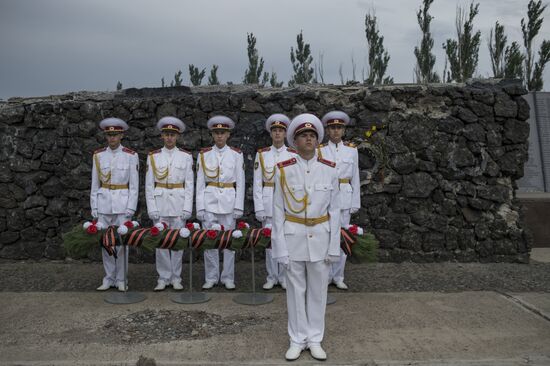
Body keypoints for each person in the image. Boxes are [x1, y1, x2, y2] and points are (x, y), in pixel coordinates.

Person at [271, 113, 341, 361]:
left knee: (318, 291)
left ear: (318, 140)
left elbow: (335, 212)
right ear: (295, 141)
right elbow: (277, 212)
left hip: (321, 239)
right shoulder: (283, 171)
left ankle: (315, 339)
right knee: (295, 291)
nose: (308, 139)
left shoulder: (329, 170)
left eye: (312, 136)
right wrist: (278, 249)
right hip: (293, 238)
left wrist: (335, 247)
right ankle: (297, 339)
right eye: (303, 136)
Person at [196, 115, 245, 290]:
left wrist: (239, 205)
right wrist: (200, 206)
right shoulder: (204, 155)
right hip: (209, 202)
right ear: (212, 135)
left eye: (222, 133)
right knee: (210, 242)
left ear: (228, 135)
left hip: (229, 202)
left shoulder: (236, 155)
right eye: (216, 133)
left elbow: (240, 181)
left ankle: (227, 277)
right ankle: (211, 276)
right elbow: (200, 182)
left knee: (229, 243)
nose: (219, 136)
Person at [145, 116, 194, 291]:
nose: (169, 138)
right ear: (161, 137)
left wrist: (188, 206)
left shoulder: (186, 157)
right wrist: (151, 207)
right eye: (166, 134)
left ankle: (176, 277)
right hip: (160, 203)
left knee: (177, 242)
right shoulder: (153, 156)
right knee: (160, 242)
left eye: (172, 134)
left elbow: (189, 184)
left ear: (178, 136)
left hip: (179, 204)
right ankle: (163, 277)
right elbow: (149, 184)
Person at [91, 117, 139, 292]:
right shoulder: (98, 156)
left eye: (115, 135)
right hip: (104, 204)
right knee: (106, 243)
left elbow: (134, 186)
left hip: (122, 204)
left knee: (121, 244)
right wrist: (94, 207)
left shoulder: (130, 156)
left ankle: (121, 278)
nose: (112, 138)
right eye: (109, 135)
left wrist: (130, 208)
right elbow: (94, 184)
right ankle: (108, 277)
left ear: (121, 136)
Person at [252, 113, 296, 290]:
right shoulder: (262, 154)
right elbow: (257, 183)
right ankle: (271, 276)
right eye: (275, 130)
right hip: (268, 200)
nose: (277, 134)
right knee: (269, 242)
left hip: (287, 203)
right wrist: (259, 208)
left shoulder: (293, 154)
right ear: (270, 134)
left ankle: (285, 277)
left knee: (286, 240)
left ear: (285, 134)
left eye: (281, 130)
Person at [318, 111, 360, 290]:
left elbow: (356, 177)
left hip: (344, 196)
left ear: (343, 130)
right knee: (326, 237)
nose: (336, 131)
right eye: (332, 128)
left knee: (343, 237)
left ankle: (339, 275)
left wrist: (355, 202)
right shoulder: (320, 150)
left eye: (339, 128)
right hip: (326, 196)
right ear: (327, 130)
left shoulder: (351, 150)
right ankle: (325, 276)